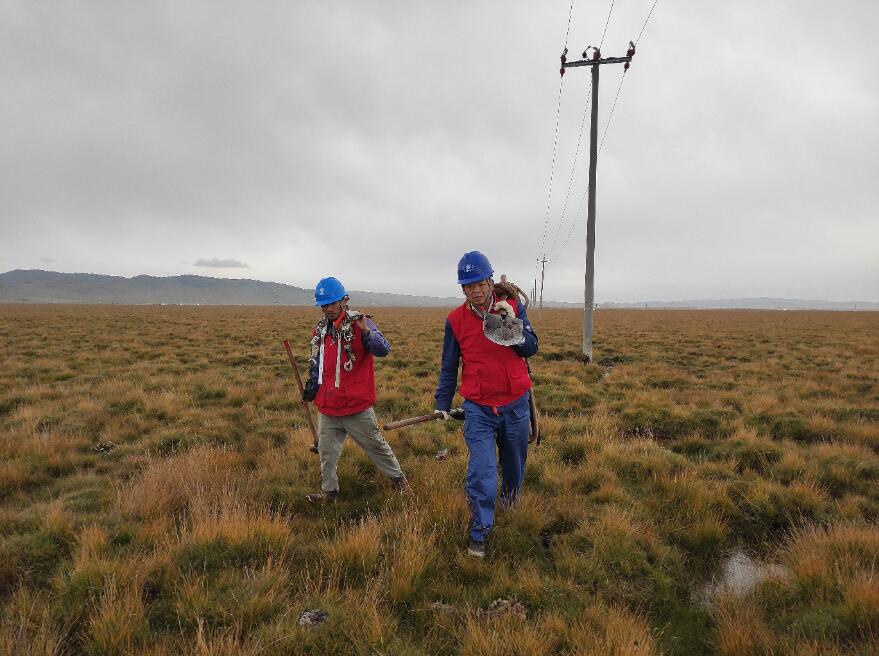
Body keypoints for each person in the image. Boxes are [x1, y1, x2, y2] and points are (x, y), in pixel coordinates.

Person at [434, 252, 539, 557]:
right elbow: (449, 365)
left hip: (515, 404)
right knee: (482, 471)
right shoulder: (455, 321)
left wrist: (513, 323)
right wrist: (443, 402)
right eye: (468, 286)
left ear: (490, 281)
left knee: (513, 466)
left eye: (480, 283)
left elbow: (531, 348)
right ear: (462, 289)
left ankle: (509, 503)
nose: (475, 290)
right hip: (478, 408)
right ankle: (479, 531)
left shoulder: (513, 307)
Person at [302, 276, 409, 502]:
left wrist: (368, 332)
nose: (328, 309)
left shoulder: (361, 324)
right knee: (326, 453)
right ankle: (329, 493)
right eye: (324, 305)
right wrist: (311, 391)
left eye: (332, 303)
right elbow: (318, 365)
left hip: (356, 406)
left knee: (376, 446)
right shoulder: (321, 331)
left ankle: (400, 482)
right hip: (328, 405)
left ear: (344, 301)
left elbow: (383, 349)